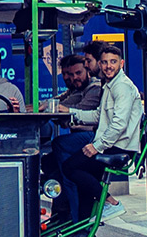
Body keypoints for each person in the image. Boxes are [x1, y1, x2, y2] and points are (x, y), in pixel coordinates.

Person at [60, 45, 143, 221]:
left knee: (69, 166)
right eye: (104, 62)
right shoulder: (110, 85)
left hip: (118, 147)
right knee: (85, 189)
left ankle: (111, 203)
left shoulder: (122, 87)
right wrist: (69, 112)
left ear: (121, 63)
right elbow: (98, 115)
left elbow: (119, 124)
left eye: (113, 62)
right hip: (111, 144)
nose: (108, 66)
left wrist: (97, 146)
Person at [42, 54, 102, 219]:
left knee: (60, 147)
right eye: (68, 74)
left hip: (93, 138)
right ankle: (62, 214)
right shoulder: (77, 89)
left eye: (77, 73)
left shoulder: (94, 88)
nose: (73, 78)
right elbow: (55, 102)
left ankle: (74, 218)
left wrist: (60, 113)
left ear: (87, 69)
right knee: (49, 165)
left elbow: (73, 110)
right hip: (82, 138)